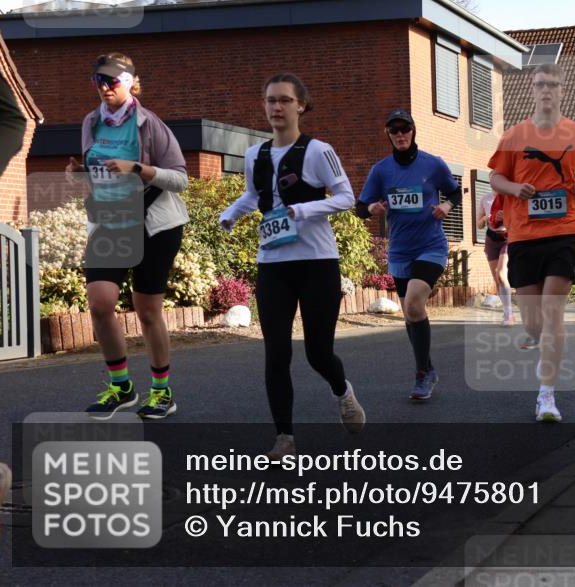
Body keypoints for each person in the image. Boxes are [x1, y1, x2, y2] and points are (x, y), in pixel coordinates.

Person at [220, 74, 365, 458]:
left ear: (300, 105)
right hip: (274, 263)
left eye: (284, 100)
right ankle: (284, 437)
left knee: (318, 352)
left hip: (317, 262)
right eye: (270, 100)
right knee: (276, 352)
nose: (276, 108)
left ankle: (343, 391)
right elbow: (254, 195)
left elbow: (347, 197)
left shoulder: (318, 151)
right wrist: (231, 213)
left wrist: (303, 208)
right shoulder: (256, 155)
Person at [67, 53, 189, 421]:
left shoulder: (149, 123)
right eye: (98, 80)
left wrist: (137, 167)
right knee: (101, 302)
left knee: (147, 310)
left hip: (154, 223)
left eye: (112, 81)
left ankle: (162, 392)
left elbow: (181, 177)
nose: (104, 87)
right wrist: (80, 173)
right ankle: (121, 388)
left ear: (131, 82)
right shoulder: (91, 122)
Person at [488, 62, 575, 423]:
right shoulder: (513, 137)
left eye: (553, 84)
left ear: (562, 91)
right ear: (532, 91)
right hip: (523, 237)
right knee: (533, 323)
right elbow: (494, 177)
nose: (547, 90)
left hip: (564, 233)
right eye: (540, 84)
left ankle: (547, 396)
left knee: (553, 313)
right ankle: (536, 338)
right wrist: (514, 189)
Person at [357, 109, 461, 402]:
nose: (400, 134)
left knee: (415, 302)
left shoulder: (433, 164)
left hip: (431, 246)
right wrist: (372, 209)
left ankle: (421, 373)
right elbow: (360, 207)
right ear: (388, 135)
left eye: (405, 129)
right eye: (394, 130)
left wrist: (447, 208)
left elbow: (455, 193)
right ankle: (427, 367)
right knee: (410, 315)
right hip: (400, 249)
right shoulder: (381, 170)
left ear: (413, 131)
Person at [477, 189, 513, 325]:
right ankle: (506, 311)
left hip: (507, 238)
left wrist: (506, 217)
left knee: (501, 273)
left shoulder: (510, 197)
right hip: (491, 239)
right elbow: (479, 225)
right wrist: (486, 218)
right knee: (497, 278)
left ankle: (509, 314)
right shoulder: (485, 198)